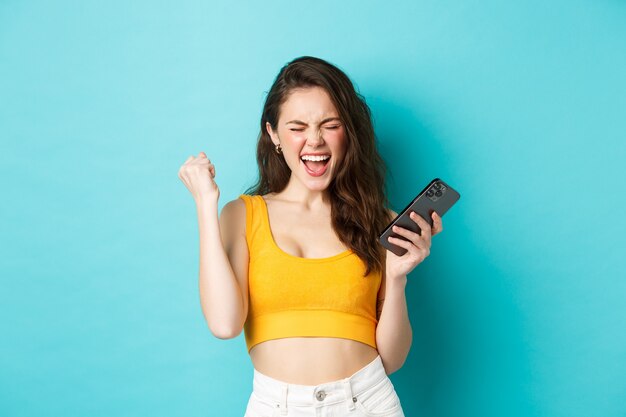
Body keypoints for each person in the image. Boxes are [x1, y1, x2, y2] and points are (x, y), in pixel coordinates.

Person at [178, 56, 443, 417]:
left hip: (368, 401)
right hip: (276, 406)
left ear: (348, 132)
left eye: (330, 125)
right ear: (273, 133)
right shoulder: (242, 216)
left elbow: (392, 360)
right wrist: (206, 205)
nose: (314, 141)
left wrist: (397, 279)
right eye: (297, 127)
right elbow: (225, 324)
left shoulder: (380, 220)